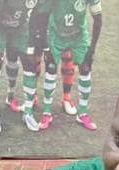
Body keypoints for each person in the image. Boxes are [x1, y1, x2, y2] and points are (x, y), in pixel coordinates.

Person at [32, 0, 102, 131]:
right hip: (56, 36)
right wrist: (46, 47)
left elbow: (98, 18)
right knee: (51, 69)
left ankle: (82, 113)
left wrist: (92, 48)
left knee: (86, 68)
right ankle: (47, 113)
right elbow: (42, 17)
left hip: (79, 37)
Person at [0, 0, 44, 133]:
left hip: (21, 27)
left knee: (30, 64)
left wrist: (31, 49)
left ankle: (28, 112)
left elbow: (36, 18)